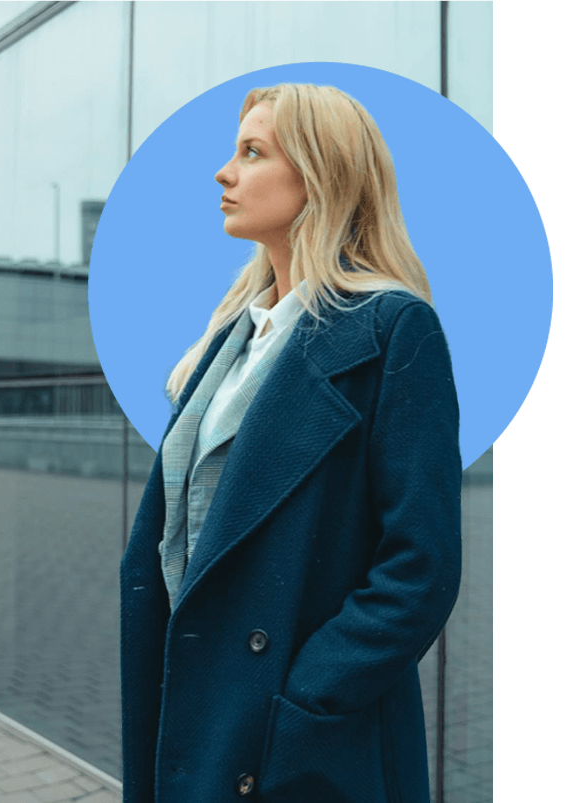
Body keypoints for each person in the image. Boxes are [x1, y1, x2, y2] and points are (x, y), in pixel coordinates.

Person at [120, 82, 462, 803]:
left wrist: (304, 696)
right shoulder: (230, 340)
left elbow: (419, 566)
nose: (224, 172)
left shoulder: (394, 331)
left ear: (321, 174)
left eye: (251, 152)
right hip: (194, 707)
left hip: (294, 739)